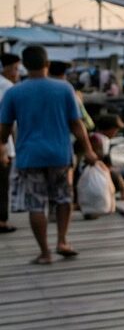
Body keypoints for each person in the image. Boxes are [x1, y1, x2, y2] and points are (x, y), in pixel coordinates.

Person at [0, 46, 93, 263]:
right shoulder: (64, 89)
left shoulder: (15, 92)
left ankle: (45, 252)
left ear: (24, 65)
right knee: (63, 198)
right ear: (47, 64)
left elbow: (4, 128)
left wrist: (2, 145)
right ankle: (62, 240)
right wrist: (88, 150)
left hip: (30, 156)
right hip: (60, 154)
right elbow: (77, 125)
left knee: (36, 204)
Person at [0, 51, 20, 235]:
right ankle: (2, 221)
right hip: (4, 145)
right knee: (2, 184)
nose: (17, 72)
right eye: (15, 68)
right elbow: (7, 120)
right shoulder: (7, 87)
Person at [87, 114, 124, 202]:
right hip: (90, 174)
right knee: (116, 176)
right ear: (111, 128)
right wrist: (122, 185)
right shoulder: (97, 140)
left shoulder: (101, 139)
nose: (117, 132)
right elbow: (100, 163)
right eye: (116, 129)